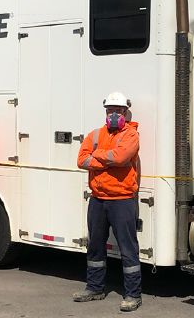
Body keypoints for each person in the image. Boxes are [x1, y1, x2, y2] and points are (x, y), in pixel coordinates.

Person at [73, 91, 142, 312]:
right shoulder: (95, 134)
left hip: (122, 200)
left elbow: (122, 158)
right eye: (110, 110)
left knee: (127, 249)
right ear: (105, 111)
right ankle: (94, 288)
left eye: (118, 111)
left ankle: (133, 295)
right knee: (94, 246)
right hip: (98, 199)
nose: (113, 114)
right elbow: (81, 160)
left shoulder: (131, 135)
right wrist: (108, 158)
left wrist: (99, 156)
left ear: (125, 112)